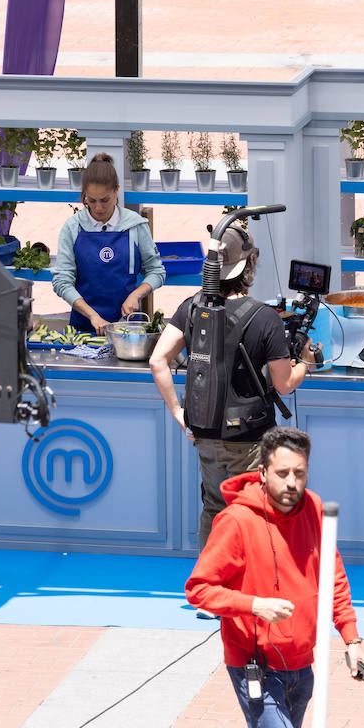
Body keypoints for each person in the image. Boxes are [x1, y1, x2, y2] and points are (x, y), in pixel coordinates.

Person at [185, 426, 364, 728]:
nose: (291, 483)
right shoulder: (236, 521)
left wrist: (352, 639)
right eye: (283, 473)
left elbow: (333, 576)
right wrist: (254, 605)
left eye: (299, 473)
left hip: (301, 667)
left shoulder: (315, 509)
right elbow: (199, 589)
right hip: (254, 665)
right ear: (263, 472)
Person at [149, 226, 319, 548]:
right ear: (250, 263)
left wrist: (179, 412)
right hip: (250, 440)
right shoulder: (265, 317)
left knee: (214, 509)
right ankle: (250, 589)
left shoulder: (191, 307)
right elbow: (284, 385)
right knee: (252, 514)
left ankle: (211, 586)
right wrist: (305, 363)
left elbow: (158, 361)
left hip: (205, 434)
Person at [51, 153, 166, 333]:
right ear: (84, 196)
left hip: (128, 328)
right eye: (91, 200)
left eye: (105, 200)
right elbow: (62, 281)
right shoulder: (73, 227)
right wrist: (93, 316)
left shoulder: (136, 225)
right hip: (83, 327)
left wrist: (136, 295)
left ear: (116, 191)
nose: (98, 208)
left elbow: (156, 271)